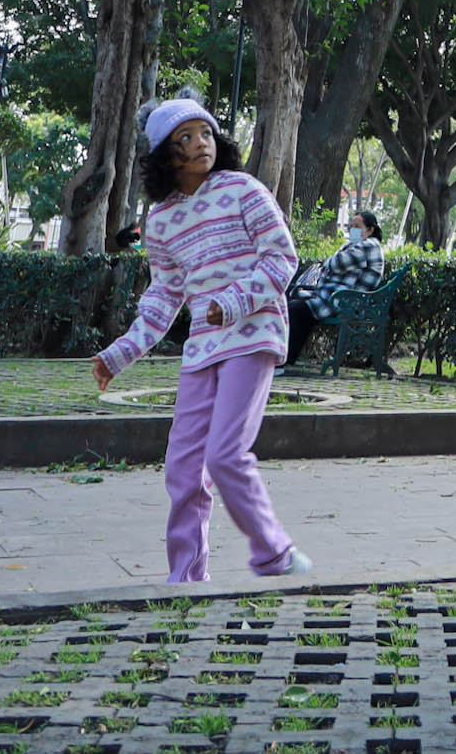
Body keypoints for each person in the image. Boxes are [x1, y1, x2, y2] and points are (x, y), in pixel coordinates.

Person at [92, 99, 310, 584]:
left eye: (206, 133)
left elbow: (281, 259)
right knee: (183, 469)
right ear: (166, 156)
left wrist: (231, 302)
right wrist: (120, 352)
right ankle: (185, 582)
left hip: (253, 336)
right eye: (185, 138)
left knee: (225, 455)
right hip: (202, 349)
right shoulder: (162, 221)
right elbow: (163, 297)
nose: (200, 144)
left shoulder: (243, 190)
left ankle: (275, 553)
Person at [286, 211, 387, 365]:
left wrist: (329, 261)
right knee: (295, 305)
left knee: (296, 309)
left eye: (357, 226)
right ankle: (287, 358)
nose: (353, 229)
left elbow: (337, 263)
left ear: (370, 229)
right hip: (335, 297)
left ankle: (285, 360)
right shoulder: (358, 245)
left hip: (344, 302)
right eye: (351, 226)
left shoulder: (369, 245)